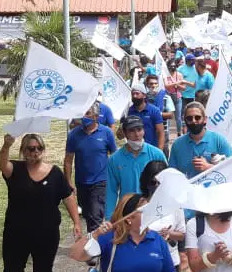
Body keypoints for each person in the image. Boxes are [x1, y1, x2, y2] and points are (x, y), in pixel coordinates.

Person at [0, 133, 80, 272]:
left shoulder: (54, 173)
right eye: (30, 148)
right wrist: (6, 145)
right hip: (16, 233)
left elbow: (68, 197)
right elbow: (2, 165)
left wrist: (76, 222)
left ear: (43, 150)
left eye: (38, 148)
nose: (34, 152)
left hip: (46, 233)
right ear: (23, 151)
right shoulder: (15, 169)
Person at [65, 102, 118, 235]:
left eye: (87, 113)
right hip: (81, 182)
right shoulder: (74, 135)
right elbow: (68, 160)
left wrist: (115, 178)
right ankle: (95, 238)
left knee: (95, 216)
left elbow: (114, 156)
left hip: (100, 181)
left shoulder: (106, 133)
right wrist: (69, 181)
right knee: (87, 215)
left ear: (96, 116)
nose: (84, 116)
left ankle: (94, 243)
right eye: (82, 113)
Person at [105, 116, 168, 217]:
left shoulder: (157, 154)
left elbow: (167, 183)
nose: (137, 134)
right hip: (128, 213)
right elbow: (111, 191)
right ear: (125, 133)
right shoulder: (114, 159)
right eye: (131, 131)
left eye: (139, 129)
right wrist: (109, 217)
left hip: (153, 210)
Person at [169, 101, 232, 179]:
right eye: (189, 118)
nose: (193, 121)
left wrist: (208, 167)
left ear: (205, 119)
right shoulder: (177, 145)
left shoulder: (219, 140)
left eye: (197, 117)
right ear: (185, 120)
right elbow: (171, 174)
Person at [127, 80, 166, 151]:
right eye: (133, 94)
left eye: (137, 94)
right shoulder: (129, 111)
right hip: (135, 151)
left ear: (144, 95)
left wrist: (160, 152)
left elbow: (161, 132)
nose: (134, 96)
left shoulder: (154, 111)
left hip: (152, 149)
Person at [164, 58, 186, 136]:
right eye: (171, 66)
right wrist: (176, 83)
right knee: (168, 116)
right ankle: (167, 133)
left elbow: (183, 88)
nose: (173, 67)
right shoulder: (165, 75)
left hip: (177, 97)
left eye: (174, 66)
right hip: (168, 97)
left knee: (178, 117)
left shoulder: (179, 75)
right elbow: (166, 85)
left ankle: (179, 132)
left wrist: (178, 85)